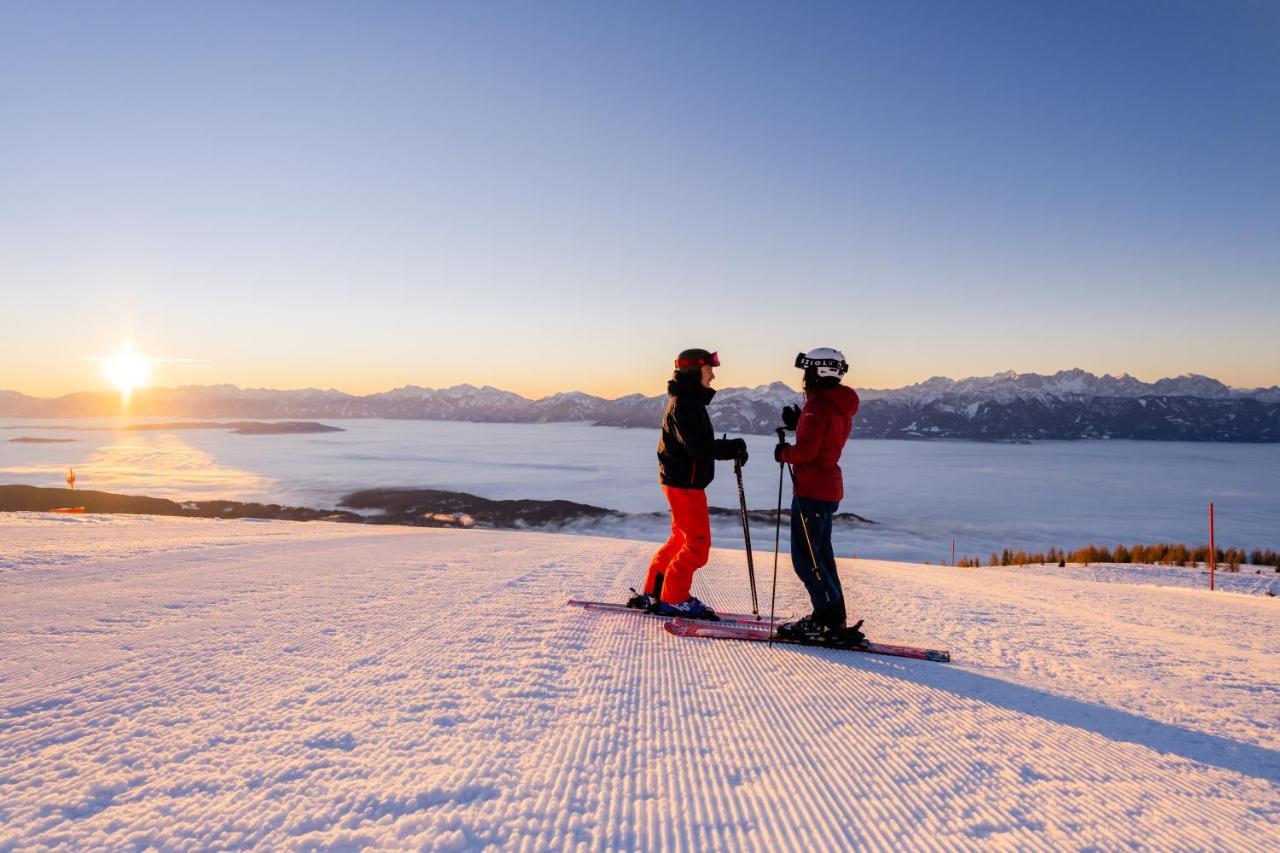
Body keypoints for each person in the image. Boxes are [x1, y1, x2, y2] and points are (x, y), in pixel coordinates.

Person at [628, 348, 749, 619]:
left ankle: (656, 590)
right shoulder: (686, 403)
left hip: (679, 480)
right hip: (685, 484)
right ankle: (675, 598)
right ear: (695, 372)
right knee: (697, 545)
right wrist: (730, 448)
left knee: (680, 539)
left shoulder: (687, 400)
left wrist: (728, 448)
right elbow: (696, 447)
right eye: (709, 371)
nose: (713, 376)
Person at [774, 348, 861, 640]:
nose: (804, 377)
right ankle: (833, 618)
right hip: (827, 488)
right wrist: (800, 423)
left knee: (806, 559)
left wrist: (784, 452)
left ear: (820, 372)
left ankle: (824, 619)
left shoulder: (817, 406)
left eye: (807, 371)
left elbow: (807, 451)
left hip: (811, 489)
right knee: (822, 555)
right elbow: (824, 438)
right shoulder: (837, 404)